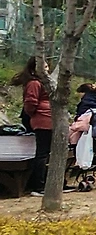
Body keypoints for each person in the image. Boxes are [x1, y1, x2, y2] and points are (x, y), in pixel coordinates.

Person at [20, 57, 53, 195]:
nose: (47, 69)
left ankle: (50, 183)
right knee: (42, 153)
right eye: (44, 67)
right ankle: (38, 186)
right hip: (42, 120)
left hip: (51, 119)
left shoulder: (45, 83)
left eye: (47, 66)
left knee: (49, 153)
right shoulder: (34, 83)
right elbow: (30, 103)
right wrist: (36, 114)